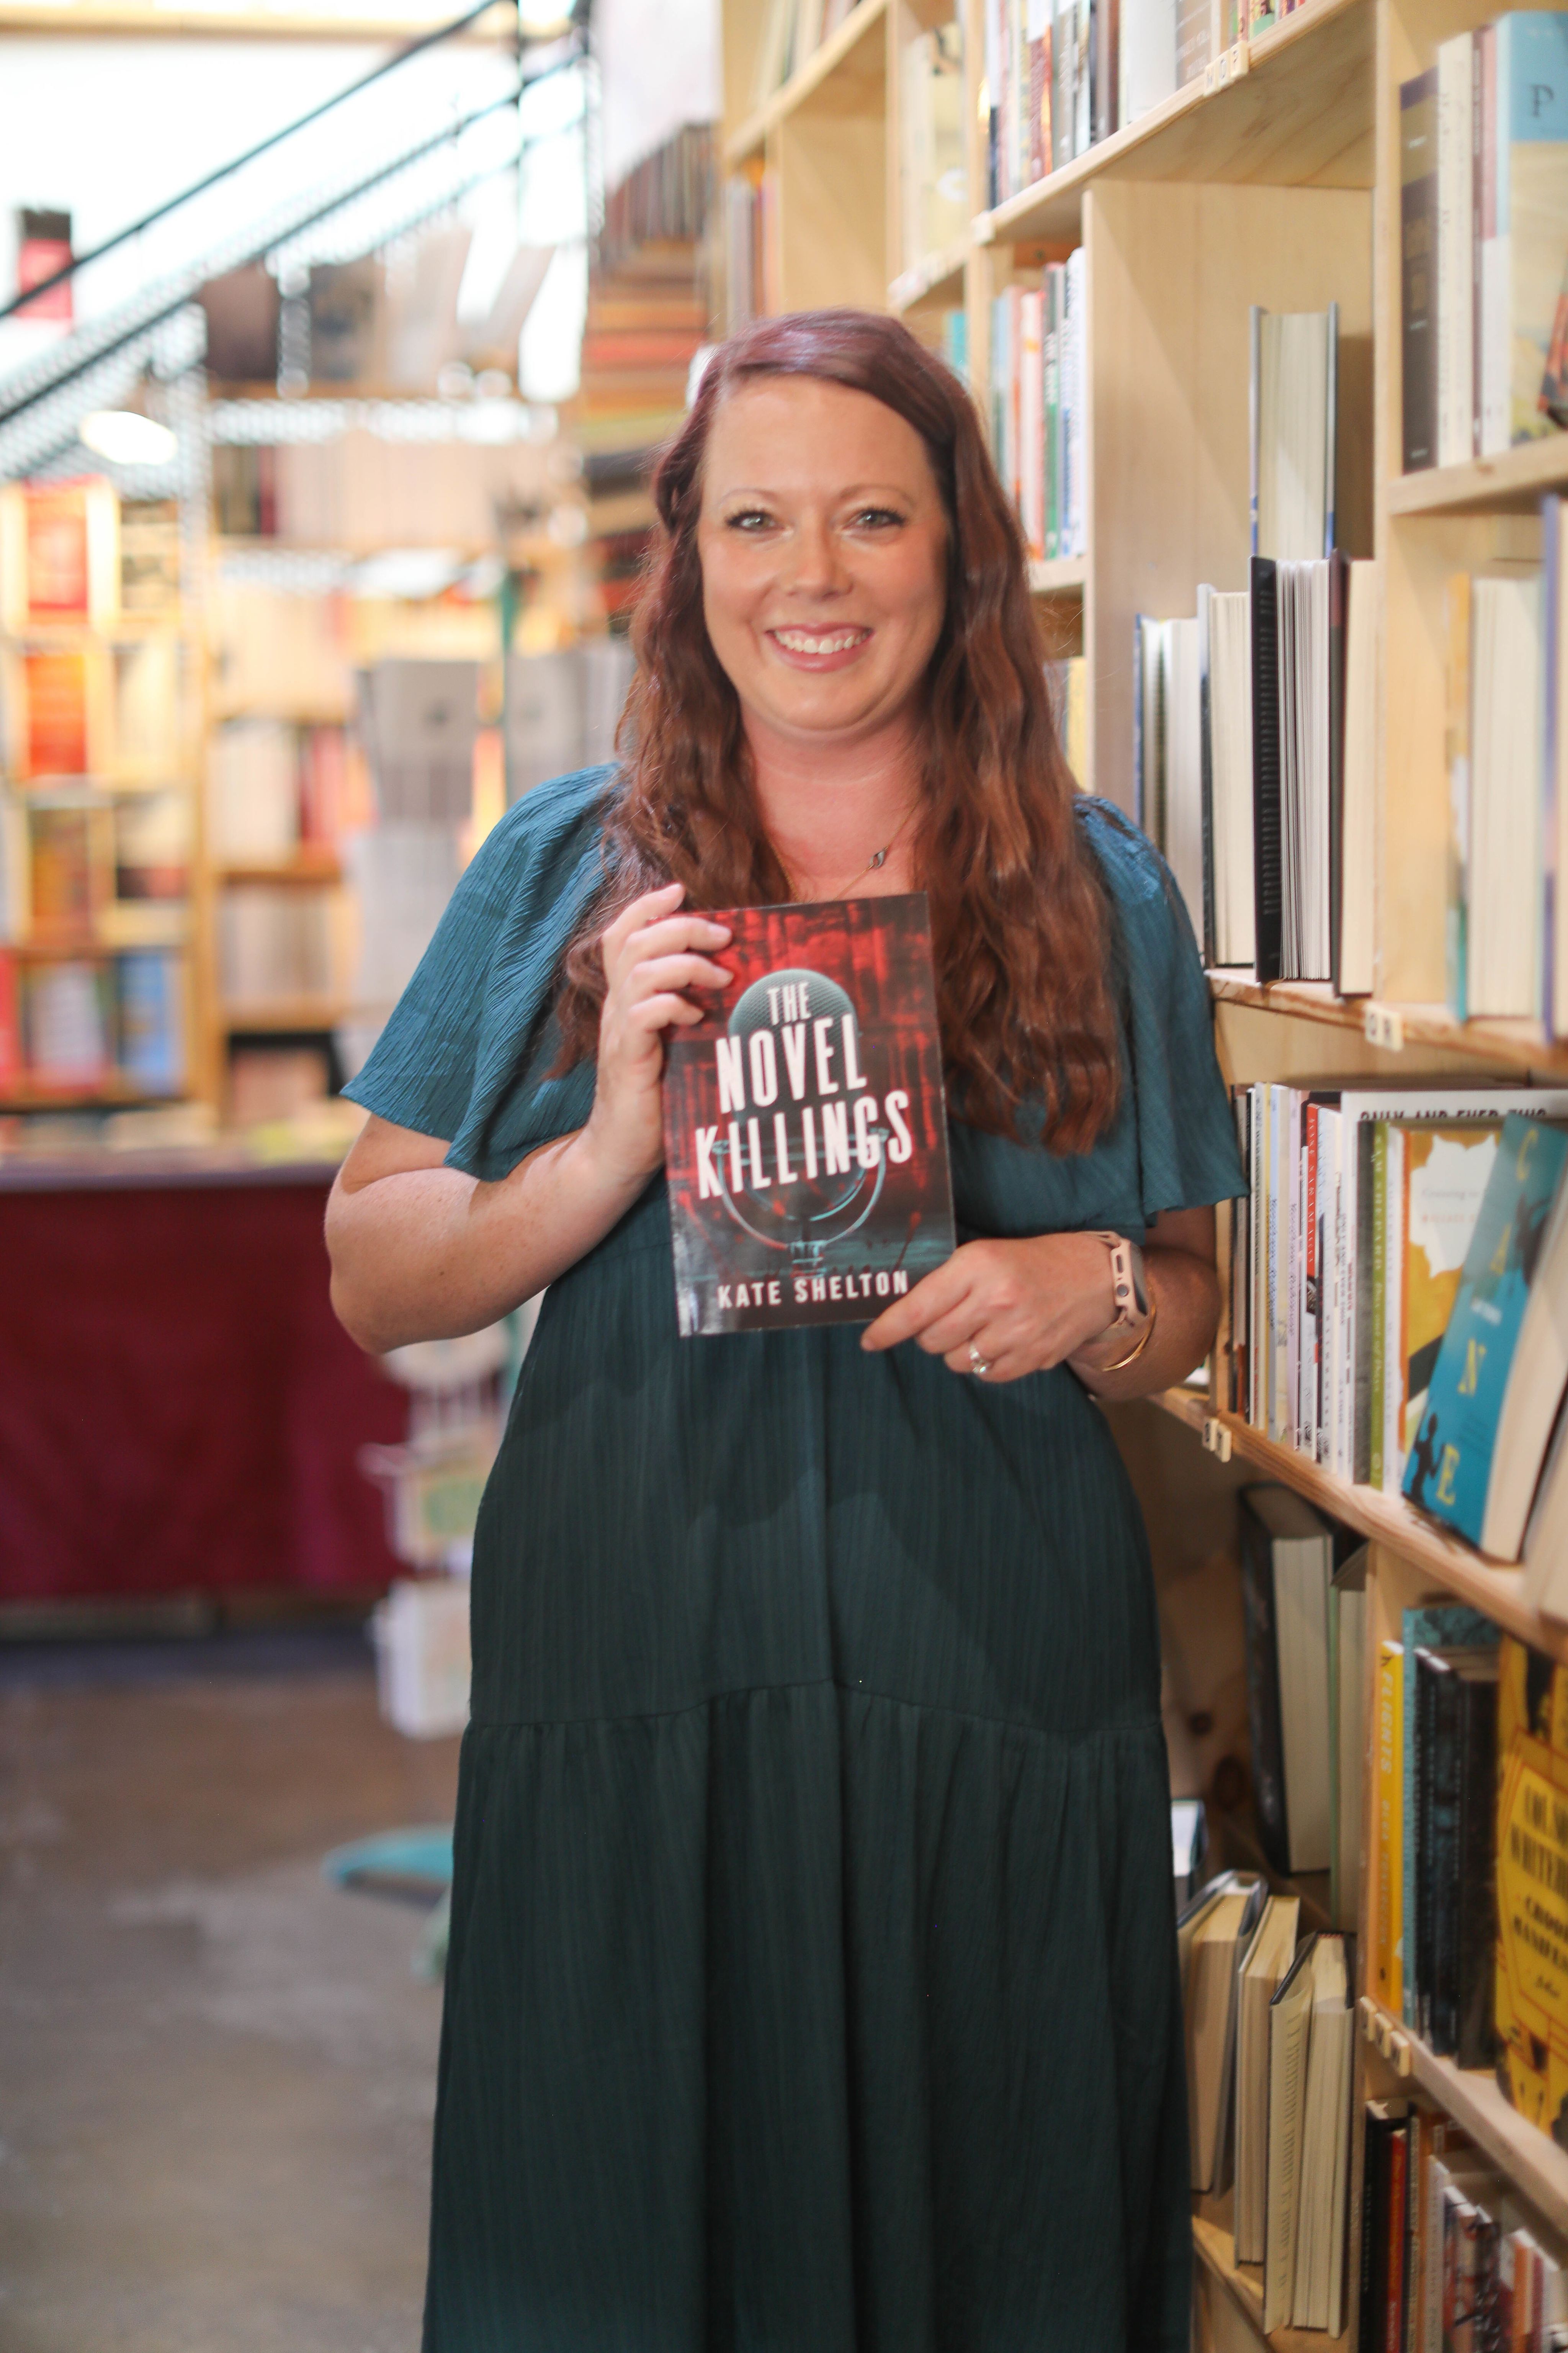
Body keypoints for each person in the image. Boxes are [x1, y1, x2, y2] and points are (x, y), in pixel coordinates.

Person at [326, 308, 1244, 2353]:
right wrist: (603, 1158)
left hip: (986, 1657)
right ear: (690, 555)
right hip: (641, 1636)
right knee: (626, 2205)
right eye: (755, 519)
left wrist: (1077, 1291)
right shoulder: (568, 865)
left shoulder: (1101, 895)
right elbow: (374, 1271)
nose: (810, 576)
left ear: (960, 553)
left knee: (985, 2202)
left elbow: (1185, 1296)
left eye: (869, 520)